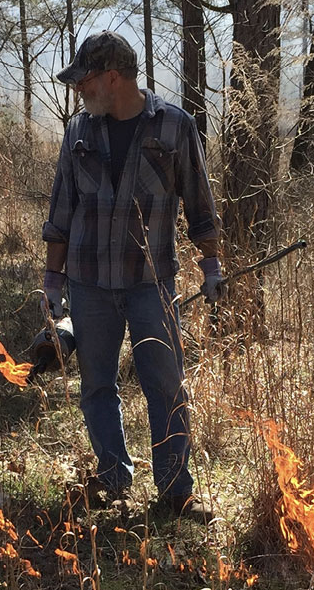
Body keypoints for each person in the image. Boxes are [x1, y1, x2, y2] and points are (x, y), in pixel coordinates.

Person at [41, 30, 225, 520]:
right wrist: (53, 283)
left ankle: (175, 492)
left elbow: (201, 205)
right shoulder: (79, 132)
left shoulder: (174, 128)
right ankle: (113, 481)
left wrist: (211, 266)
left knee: (165, 387)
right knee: (97, 387)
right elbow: (61, 211)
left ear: (113, 78)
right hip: (89, 286)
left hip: (151, 286)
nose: (79, 91)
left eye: (85, 82)